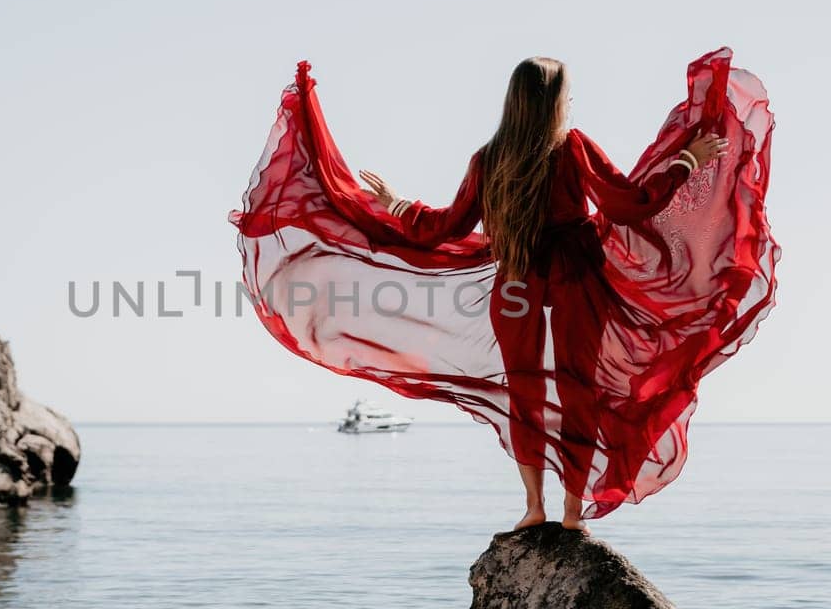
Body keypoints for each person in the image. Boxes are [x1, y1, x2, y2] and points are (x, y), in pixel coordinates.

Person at [229, 49, 778, 531]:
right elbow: (628, 205)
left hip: (514, 282)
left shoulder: (488, 159)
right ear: (553, 102)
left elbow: (445, 227)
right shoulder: (571, 147)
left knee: (525, 395)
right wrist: (686, 162)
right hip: (574, 280)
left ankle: (535, 507)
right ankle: (569, 514)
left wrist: (396, 206)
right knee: (578, 390)